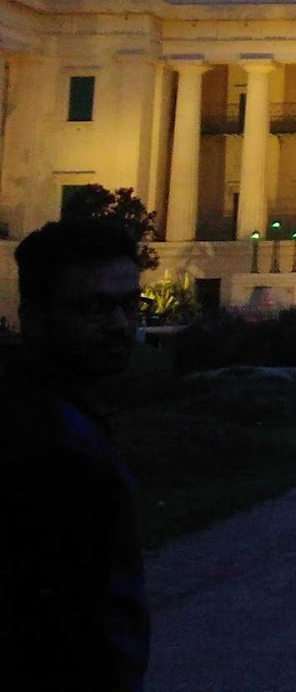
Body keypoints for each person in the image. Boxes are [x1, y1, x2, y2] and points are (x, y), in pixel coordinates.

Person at [1, 218, 150, 691]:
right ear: (35, 318)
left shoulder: (67, 413)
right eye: (94, 308)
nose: (120, 326)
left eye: (129, 304)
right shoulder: (40, 439)